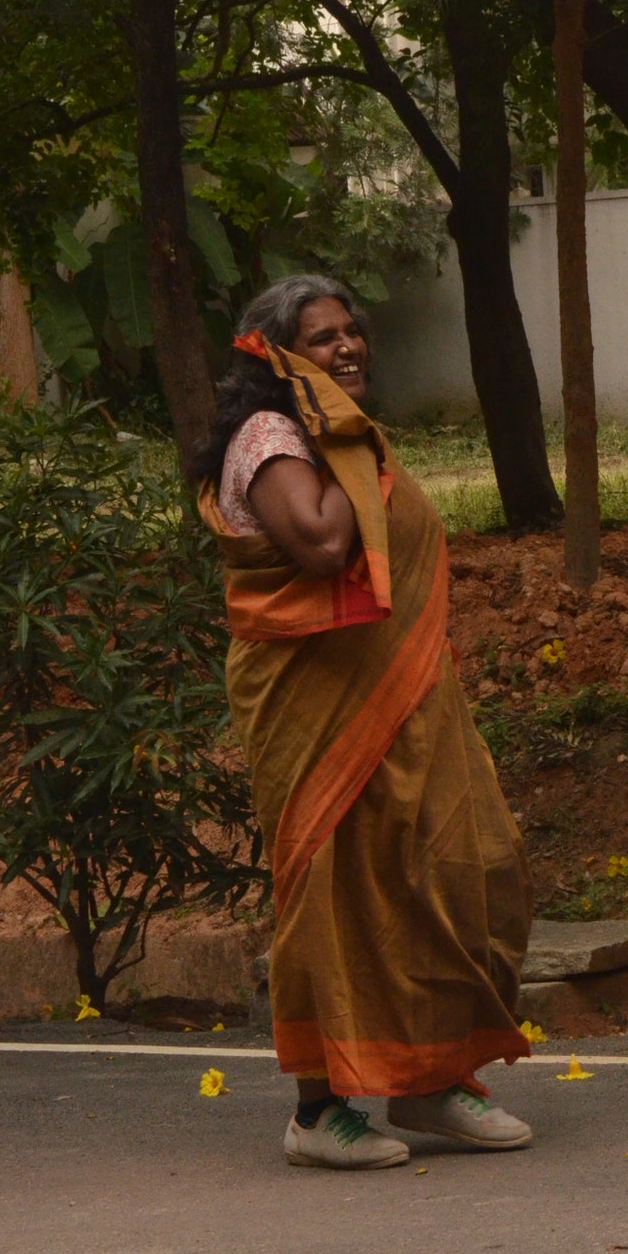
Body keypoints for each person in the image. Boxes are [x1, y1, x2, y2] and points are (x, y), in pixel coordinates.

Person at [193, 275, 534, 1171]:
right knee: (338, 893)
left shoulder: (338, 434)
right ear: (275, 356)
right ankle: (321, 1109)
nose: (348, 347)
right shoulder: (270, 437)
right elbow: (320, 544)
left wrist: (348, 438)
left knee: (455, 867)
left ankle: (429, 1078)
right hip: (314, 711)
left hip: (407, 698)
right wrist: (344, 439)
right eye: (322, 338)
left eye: (352, 332)